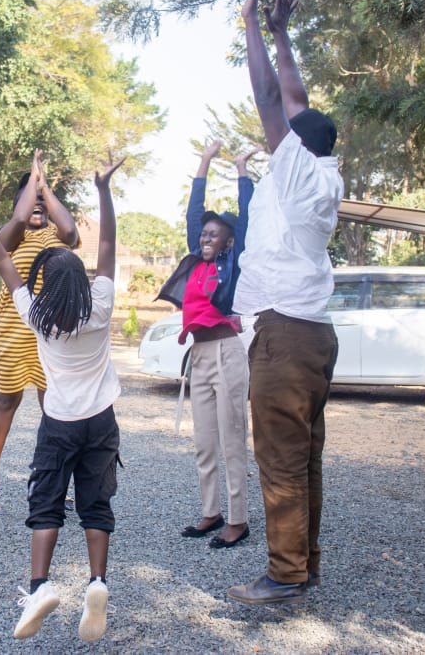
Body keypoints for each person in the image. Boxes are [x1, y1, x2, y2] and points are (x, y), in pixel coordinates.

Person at [0, 151, 125, 642]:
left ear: (47, 286)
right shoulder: (100, 309)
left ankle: (40, 584)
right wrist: (104, 190)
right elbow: (107, 243)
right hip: (102, 422)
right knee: (96, 504)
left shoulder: (37, 316)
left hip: (60, 423)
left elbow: (0, 258)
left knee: (46, 502)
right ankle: (97, 580)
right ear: (83, 284)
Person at [226, 0, 343, 606]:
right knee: (304, 458)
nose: (276, 135)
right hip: (309, 330)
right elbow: (295, 105)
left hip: (285, 333)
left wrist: (257, 28)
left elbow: (277, 101)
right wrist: (282, 31)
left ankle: (286, 573)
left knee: (279, 459)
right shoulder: (315, 175)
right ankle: (306, 563)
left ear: (300, 148)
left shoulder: (299, 176)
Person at [157, 142, 260, 549]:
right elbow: (193, 212)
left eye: (214, 234)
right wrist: (202, 161)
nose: (205, 236)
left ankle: (238, 520)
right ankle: (210, 512)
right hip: (198, 356)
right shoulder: (196, 262)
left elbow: (247, 220)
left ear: (229, 242)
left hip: (227, 353)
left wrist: (239, 169)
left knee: (232, 438)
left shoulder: (232, 263)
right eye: (204, 233)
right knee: (204, 442)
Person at [0, 150, 79, 512]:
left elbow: (72, 232)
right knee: (7, 400)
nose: (36, 204)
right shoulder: (11, 233)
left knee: (52, 407)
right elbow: (20, 216)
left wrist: (44, 187)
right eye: (30, 197)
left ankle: (52, 477)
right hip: (13, 330)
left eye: (42, 200)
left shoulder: (57, 235)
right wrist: (33, 177)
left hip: (51, 335)